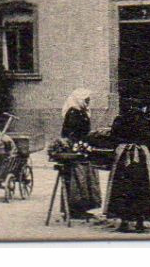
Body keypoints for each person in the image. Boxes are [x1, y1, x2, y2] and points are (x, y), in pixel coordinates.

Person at [104, 100, 150, 232]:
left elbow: (112, 138)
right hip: (140, 157)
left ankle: (124, 221)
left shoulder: (120, 120)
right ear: (143, 107)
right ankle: (140, 222)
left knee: (122, 187)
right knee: (142, 187)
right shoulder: (147, 121)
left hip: (123, 156)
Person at [59, 89, 102, 218]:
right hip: (75, 149)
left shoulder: (82, 112)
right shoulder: (73, 113)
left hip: (82, 148)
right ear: (79, 99)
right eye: (86, 99)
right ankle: (74, 209)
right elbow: (72, 133)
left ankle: (82, 208)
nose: (88, 102)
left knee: (85, 178)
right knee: (78, 179)